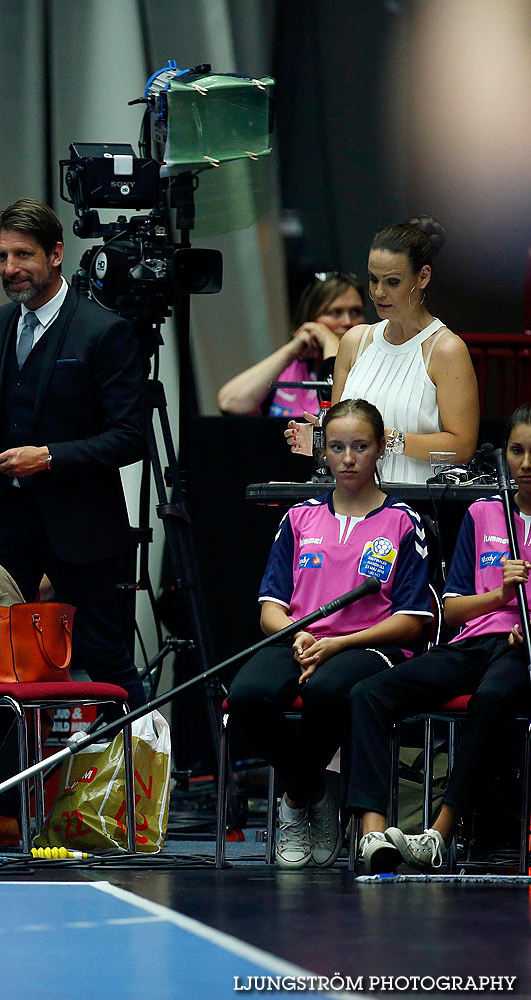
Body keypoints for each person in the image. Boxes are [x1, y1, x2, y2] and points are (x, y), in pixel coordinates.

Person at [0, 198, 147, 848]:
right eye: (2, 256)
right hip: (7, 521)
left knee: (107, 660)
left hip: (84, 522)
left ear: (57, 255)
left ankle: (124, 805)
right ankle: (1, 810)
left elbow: (129, 436)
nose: (10, 267)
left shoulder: (104, 330)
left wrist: (51, 456)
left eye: (23, 254)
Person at [227, 399, 433, 869]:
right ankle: (314, 788)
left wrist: (339, 643)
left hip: (370, 644)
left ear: (380, 449)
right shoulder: (299, 517)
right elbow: (271, 610)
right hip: (301, 639)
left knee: (327, 691)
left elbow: (413, 620)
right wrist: (298, 635)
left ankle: (295, 802)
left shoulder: (403, 520)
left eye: (360, 446)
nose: (348, 458)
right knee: (246, 696)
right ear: (323, 451)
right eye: (337, 447)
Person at [348, 406, 531, 873]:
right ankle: (373, 834)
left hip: (522, 649)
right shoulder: (483, 512)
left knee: (490, 698)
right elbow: (452, 610)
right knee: (369, 693)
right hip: (475, 642)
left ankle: (438, 835)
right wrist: (500, 594)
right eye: (516, 450)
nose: (525, 463)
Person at [285, 218, 479, 482]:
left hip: (417, 504)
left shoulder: (446, 349)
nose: (378, 293)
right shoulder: (355, 341)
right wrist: (323, 441)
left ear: (423, 276)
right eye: (373, 279)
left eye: (392, 282)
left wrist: (386, 440)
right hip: (354, 501)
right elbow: (342, 436)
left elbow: (462, 448)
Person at [216, 272, 366, 416]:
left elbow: (342, 408)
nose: (348, 322)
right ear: (311, 318)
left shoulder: (367, 368)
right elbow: (230, 403)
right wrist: (291, 349)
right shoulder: (290, 368)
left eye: (356, 312)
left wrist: (328, 339)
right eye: (336, 312)